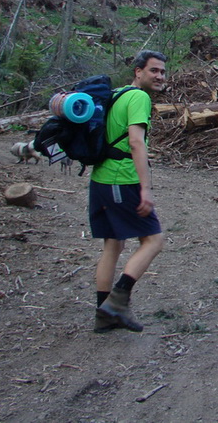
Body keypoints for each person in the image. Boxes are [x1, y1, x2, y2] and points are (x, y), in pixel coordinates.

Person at [90, 50, 167, 333]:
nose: (159, 76)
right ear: (138, 71)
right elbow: (136, 143)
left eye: (162, 72)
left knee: (113, 244)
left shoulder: (117, 94)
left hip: (101, 178)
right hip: (121, 179)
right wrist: (145, 188)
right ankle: (118, 301)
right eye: (153, 71)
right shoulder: (138, 97)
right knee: (154, 240)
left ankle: (103, 314)